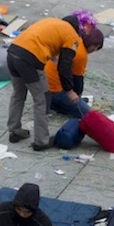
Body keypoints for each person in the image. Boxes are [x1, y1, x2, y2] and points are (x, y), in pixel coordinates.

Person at [7, 16, 82, 150]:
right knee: (42, 99)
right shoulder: (72, 35)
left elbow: (41, 40)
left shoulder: (52, 22)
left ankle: (14, 130)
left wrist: (53, 57)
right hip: (28, 60)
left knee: (18, 94)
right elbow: (64, 66)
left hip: (12, 53)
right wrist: (70, 90)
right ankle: (41, 141)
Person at [45, 13, 103, 117]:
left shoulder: (76, 40)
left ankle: (55, 103)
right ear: (94, 46)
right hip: (55, 89)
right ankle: (57, 103)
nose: (93, 51)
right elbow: (77, 79)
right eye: (94, 49)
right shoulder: (81, 55)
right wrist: (75, 96)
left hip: (43, 84)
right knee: (87, 114)